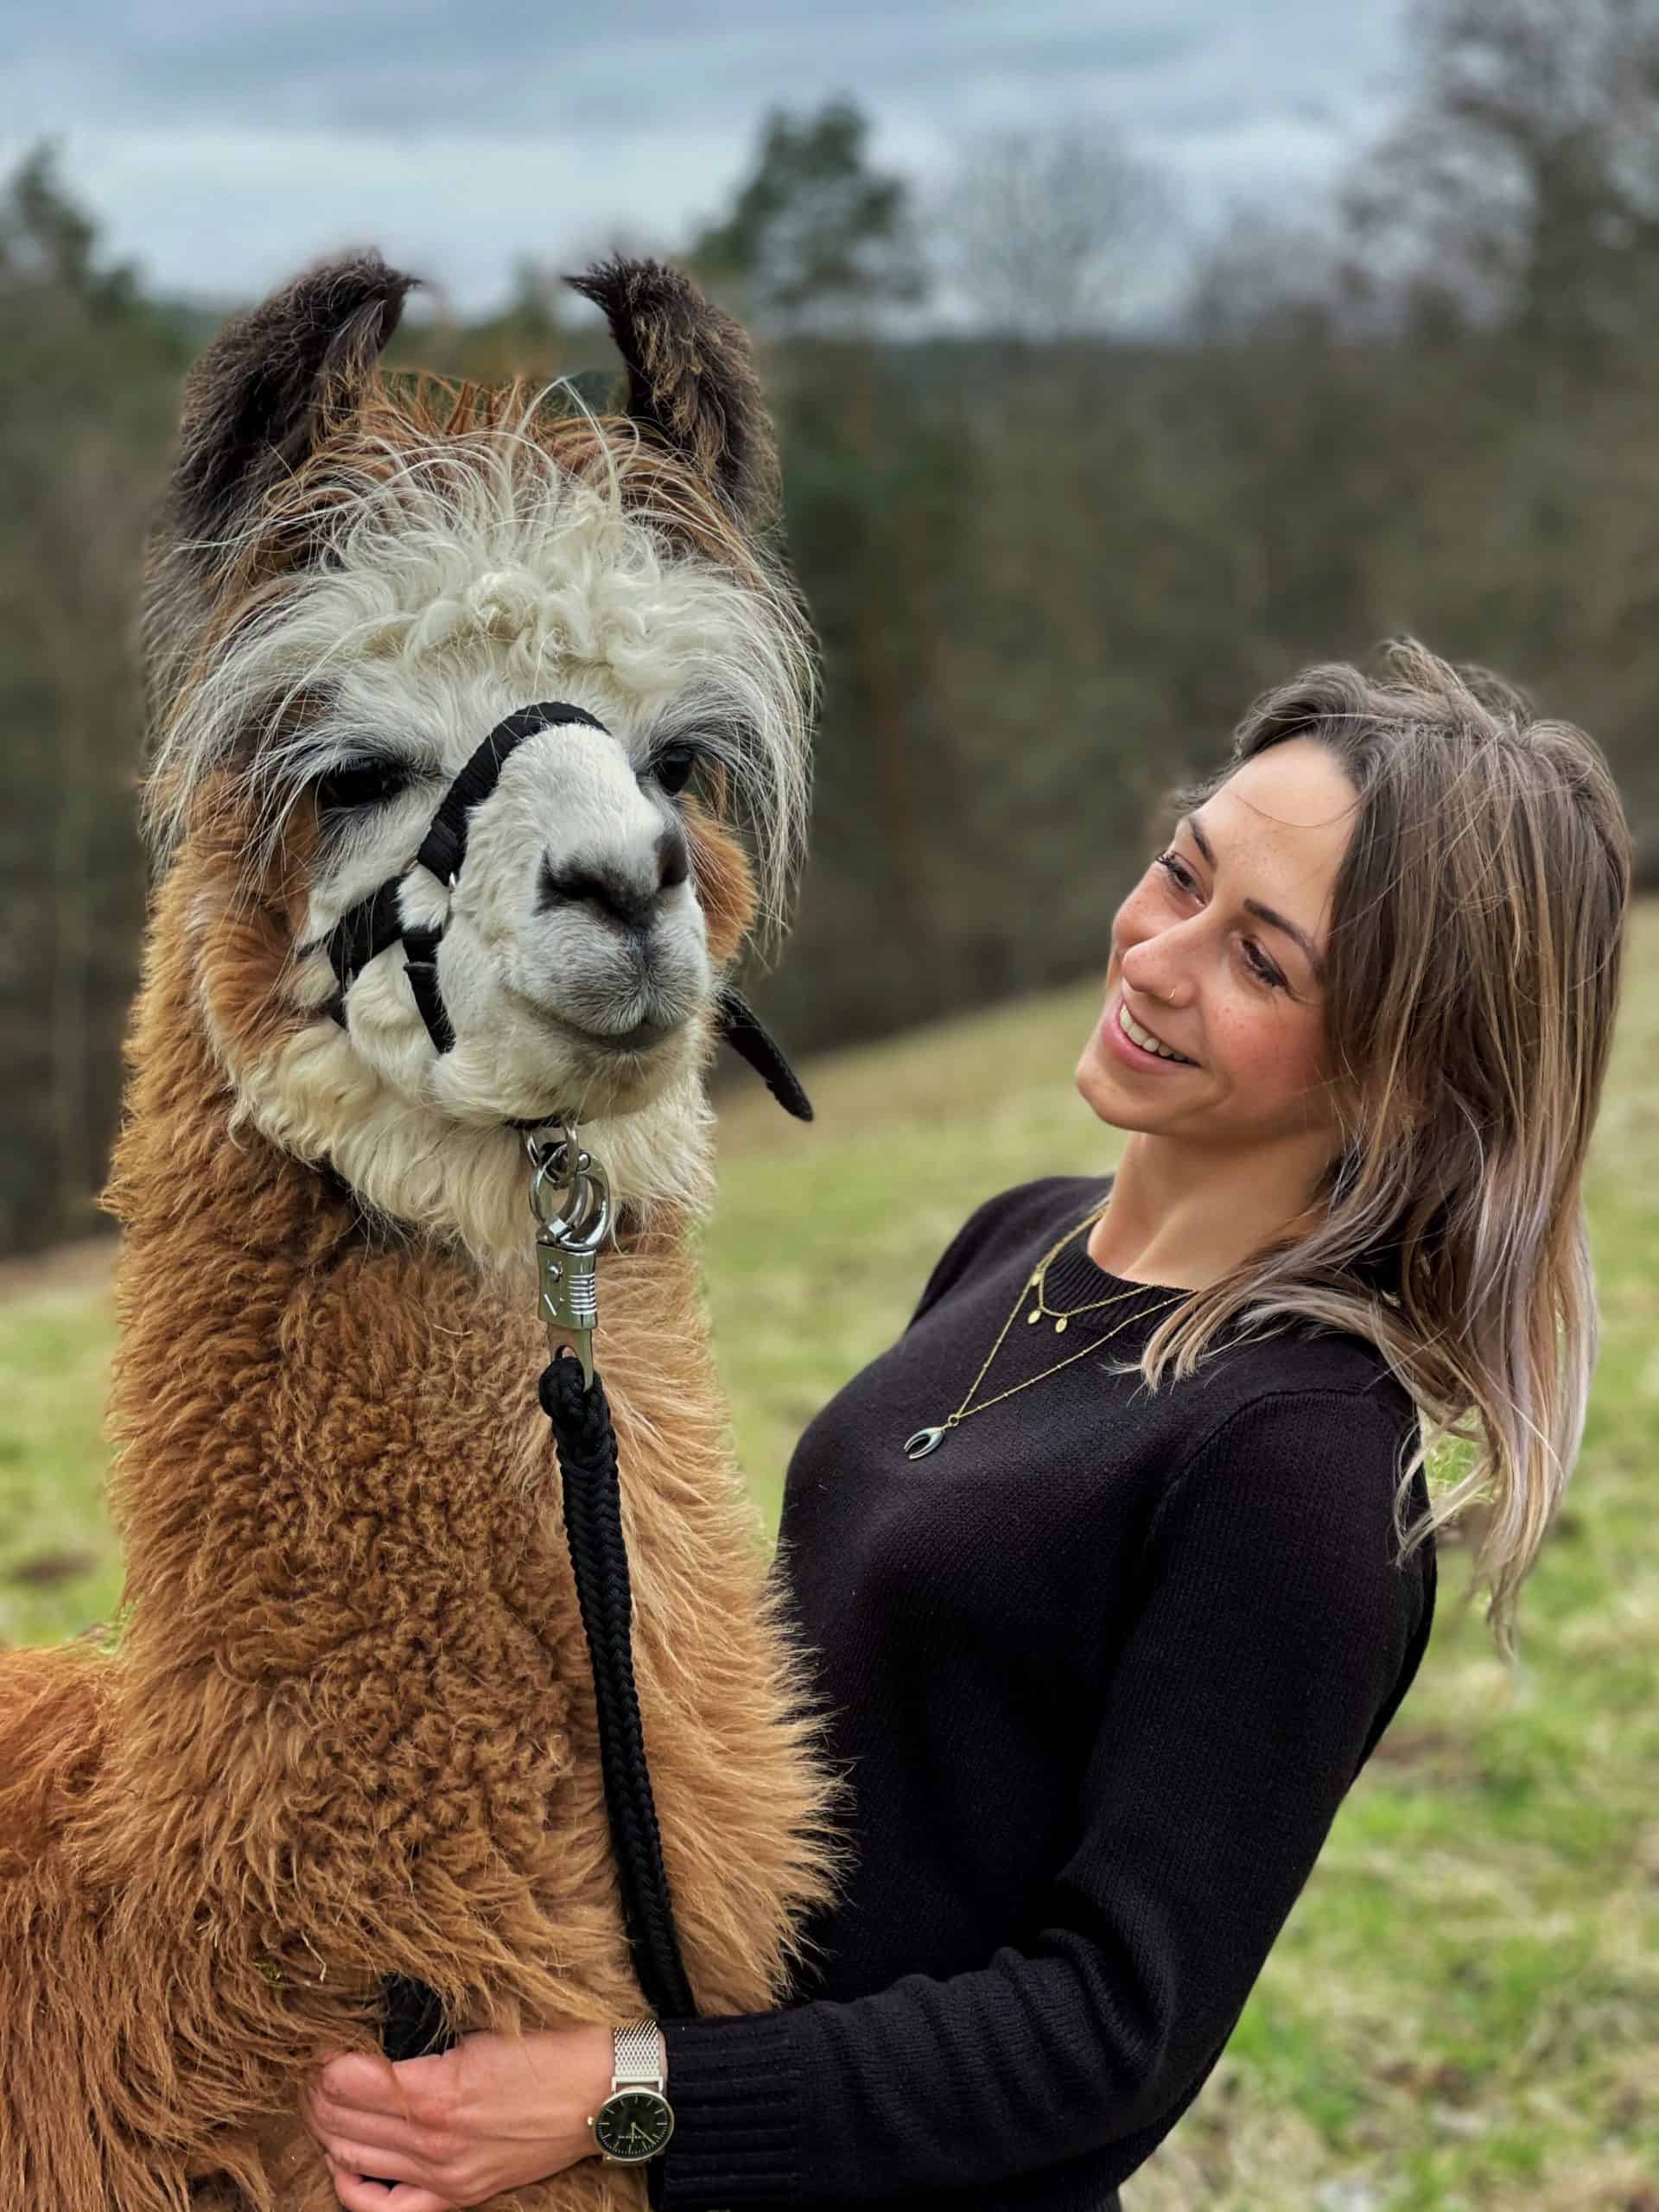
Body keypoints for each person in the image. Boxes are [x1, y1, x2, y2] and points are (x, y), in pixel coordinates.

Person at [300, 640, 1631, 2211]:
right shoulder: (1026, 1239)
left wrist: (625, 2103)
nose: (1155, 955)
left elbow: (1102, 2036)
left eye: (1263, 963)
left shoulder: (1304, 1467)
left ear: (1408, 1077)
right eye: (1180, 870)